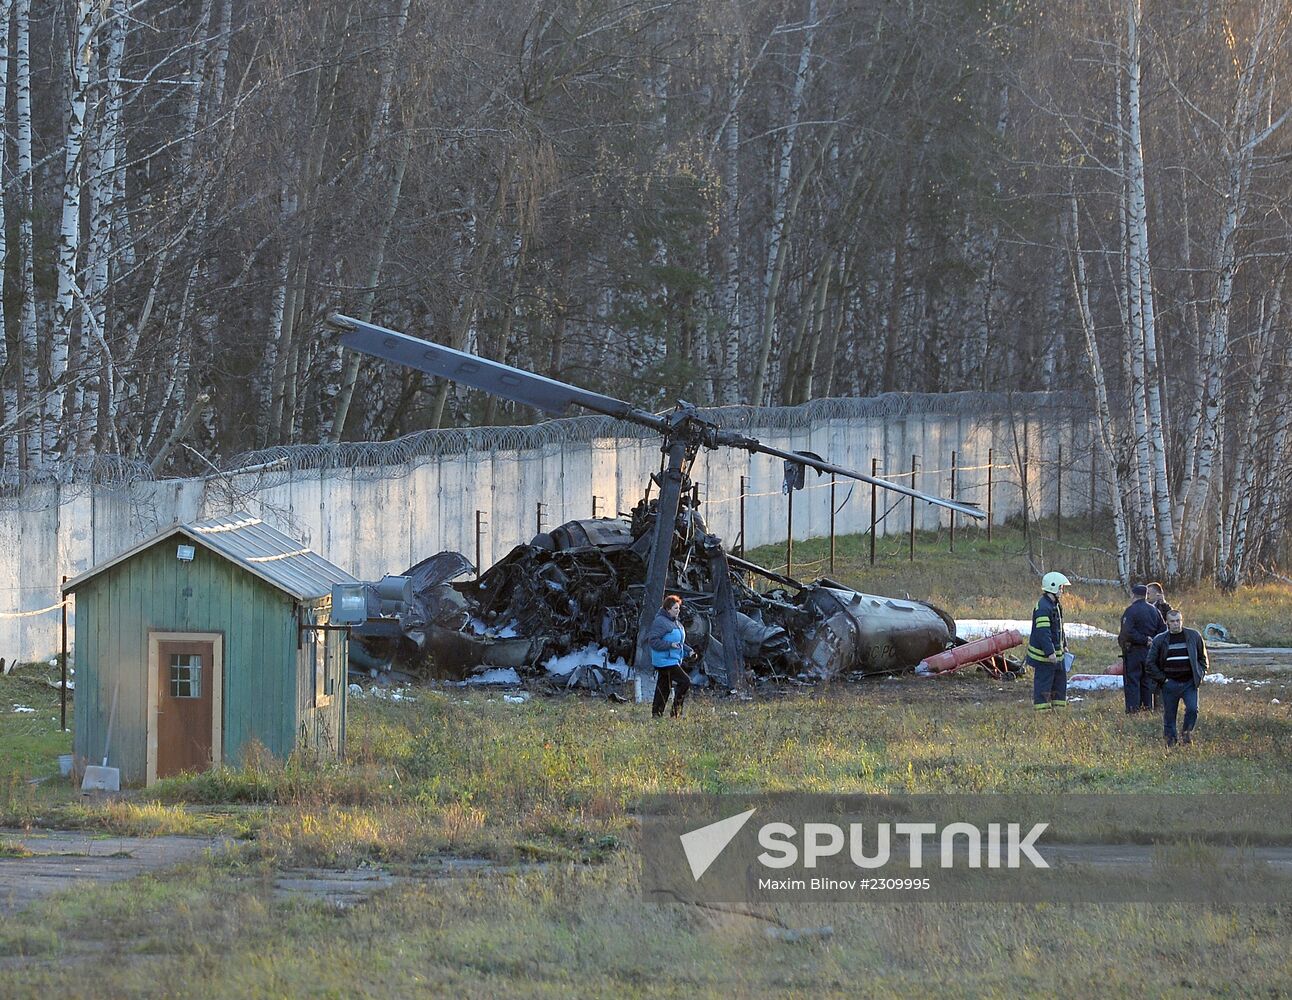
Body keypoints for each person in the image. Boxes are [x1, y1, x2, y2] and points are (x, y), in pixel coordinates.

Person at [1146, 610, 1208, 747]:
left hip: (1189, 683)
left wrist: (1200, 675)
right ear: (1167, 623)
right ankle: (1171, 744)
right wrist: (1163, 680)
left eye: (1178, 621)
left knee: (1193, 710)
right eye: (1173, 621)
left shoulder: (1193, 636)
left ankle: (1186, 736)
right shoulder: (1160, 640)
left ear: (1182, 620)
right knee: (1169, 715)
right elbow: (1150, 663)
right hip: (1170, 683)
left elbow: (1203, 659)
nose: (1176, 624)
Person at [1027, 572, 1071, 711]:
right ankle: (1042, 714)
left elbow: (1059, 627)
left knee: (1059, 683)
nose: (1062, 590)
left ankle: (1058, 712)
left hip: (1057, 655)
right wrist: (1050, 652)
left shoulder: (1055, 604)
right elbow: (1043, 633)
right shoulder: (1043, 607)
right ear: (1053, 587)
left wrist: (1064, 644)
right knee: (1044, 685)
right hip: (1044, 657)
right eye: (1060, 587)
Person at [1120, 584, 1166, 714]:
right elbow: (1163, 630)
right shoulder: (1154, 611)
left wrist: (1143, 640)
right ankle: (1147, 708)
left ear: (1133, 595)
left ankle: (1133, 710)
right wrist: (1153, 641)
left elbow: (1127, 632)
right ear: (1146, 595)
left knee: (1133, 681)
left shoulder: (1130, 611)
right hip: (1150, 653)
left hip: (1134, 651)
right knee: (1146, 682)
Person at [647, 594, 692, 718]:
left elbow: (679, 643)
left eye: (678, 608)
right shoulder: (660, 622)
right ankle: (675, 713)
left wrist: (689, 651)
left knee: (664, 687)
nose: (678, 611)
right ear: (668, 610)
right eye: (675, 609)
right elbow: (653, 641)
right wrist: (670, 645)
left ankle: (657, 714)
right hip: (664, 661)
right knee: (685, 681)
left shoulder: (675, 622)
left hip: (672, 659)